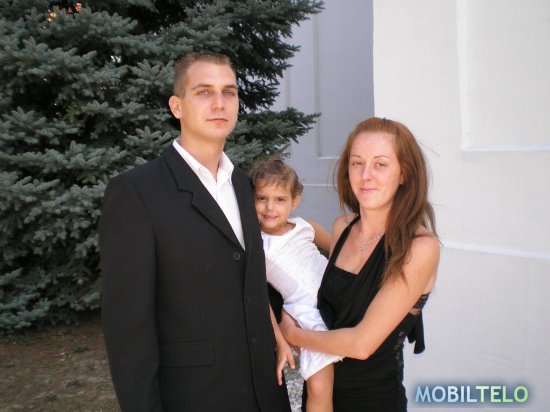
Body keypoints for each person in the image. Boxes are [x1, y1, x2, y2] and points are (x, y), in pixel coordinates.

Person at [99, 52, 291, 412]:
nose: (220, 103)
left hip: (264, 392)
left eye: (229, 92)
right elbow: (128, 330)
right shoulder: (136, 193)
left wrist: (275, 334)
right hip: (194, 397)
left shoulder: (243, 185)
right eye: (204, 92)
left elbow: (250, 283)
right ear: (177, 106)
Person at [279, 117, 440, 411]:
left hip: (374, 402)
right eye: (357, 163)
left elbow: (361, 344)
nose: (366, 175)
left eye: (380, 164)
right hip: (320, 395)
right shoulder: (342, 228)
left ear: (404, 173)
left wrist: (292, 334)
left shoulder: (419, 248)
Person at [250, 158, 343, 412]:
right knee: (319, 386)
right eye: (261, 198)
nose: (270, 207)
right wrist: (280, 338)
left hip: (337, 296)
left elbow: (342, 255)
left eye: (280, 199)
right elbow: (258, 296)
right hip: (306, 313)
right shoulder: (256, 245)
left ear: (295, 201)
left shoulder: (306, 226)